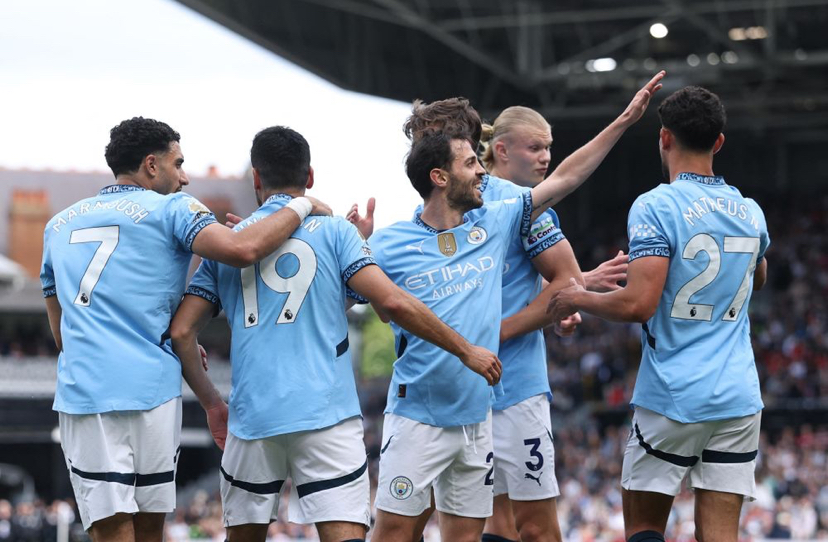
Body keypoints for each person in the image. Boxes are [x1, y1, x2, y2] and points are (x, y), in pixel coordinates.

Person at [349, 72, 664, 542]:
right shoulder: (405, 233)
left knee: (521, 526)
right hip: (435, 392)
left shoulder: (507, 210)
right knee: (424, 526)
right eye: (536, 147)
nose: (544, 157)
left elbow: (566, 268)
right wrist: (357, 250)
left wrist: (539, 310)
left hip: (510, 384)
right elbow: (377, 303)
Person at [168, 126, 501, 542]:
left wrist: (212, 403)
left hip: (253, 419)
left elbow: (182, 331)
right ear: (310, 177)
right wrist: (466, 349)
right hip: (328, 419)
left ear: (256, 178)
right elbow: (393, 302)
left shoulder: (228, 245)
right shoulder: (338, 232)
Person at [39, 117, 329, 542]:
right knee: (150, 529)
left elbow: (60, 332)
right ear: (151, 165)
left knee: (111, 530)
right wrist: (301, 205)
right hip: (153, 391)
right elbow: (243, 249)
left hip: (88, 393)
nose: (185, 177)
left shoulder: (57, 225)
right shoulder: (176, 208)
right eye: (178, 163)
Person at [548, 86, 769, 542]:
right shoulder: (750, 211)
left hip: (674, 394)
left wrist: (576, 298)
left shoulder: (657, 205)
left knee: (645, 528)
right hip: (738, 396)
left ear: (664, 138)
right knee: (721, 535)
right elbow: (758, 276)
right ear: (719, 142)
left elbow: (637, 304)